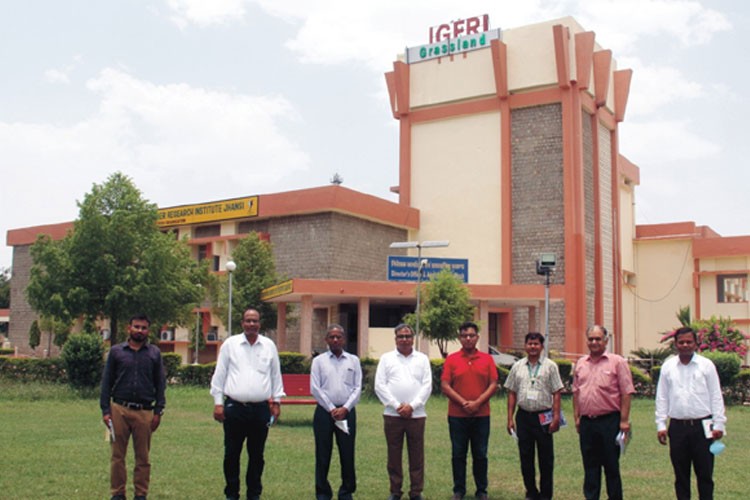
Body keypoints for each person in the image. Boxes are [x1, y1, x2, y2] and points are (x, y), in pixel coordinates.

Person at [210, 307, 285, 500]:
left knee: (257, 456)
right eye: (248, 321)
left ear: (260, 324)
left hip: (260, 410)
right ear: (242, 323)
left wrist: (276, 402)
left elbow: (276, 376)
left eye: (255, 321)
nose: (252, 324)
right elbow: (220, 375)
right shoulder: (230, 344)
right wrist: (218, 403)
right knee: (231, 454)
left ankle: (254, 494)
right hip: (235, 408)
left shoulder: (268, 345)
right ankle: (232, 494)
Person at [655, 326, 726, 500]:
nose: (685, 345)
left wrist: (719, 424)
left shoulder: (706, 366)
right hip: (678, 427)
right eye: (682, 342)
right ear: (675, 344)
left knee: (705, 475)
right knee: (681, 476)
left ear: (696, 344)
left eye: (689, 342)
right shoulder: (668, 366)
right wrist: (661, 425)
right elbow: (662, 397)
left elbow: (716, 396)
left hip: (703, 427)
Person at [100, 314, 166, 500]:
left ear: (148, 331)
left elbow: (160, 384)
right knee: (117, 456)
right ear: (129, 328)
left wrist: (158, 410)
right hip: (119, 409)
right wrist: (106, 410)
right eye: (136, 327)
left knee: (143, 458)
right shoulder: (116, 352)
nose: (140, 330)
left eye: (143, 327)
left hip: (145, 411)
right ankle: (118, 493)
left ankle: (140, 494)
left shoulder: (154, 353)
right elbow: (106, 382)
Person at [572, 325, 634, 500]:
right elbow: (576, 393)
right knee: (590, 465)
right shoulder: (581, 363)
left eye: (598, 339)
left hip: (610, 421)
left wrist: (624, 420)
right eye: (591, 339)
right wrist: (577, 418)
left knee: (611, 466)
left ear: (606, 341)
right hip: (587, 423)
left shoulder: (617, 362)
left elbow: (626, 392)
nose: (594, 342)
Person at [374, 324, 433, 500]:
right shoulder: (386, 358)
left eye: (408, 336)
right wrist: (397, 405)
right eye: (401, 336)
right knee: (393, 455)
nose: (405, 339)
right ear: (395, 339)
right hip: (393, 415)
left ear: (413, 339)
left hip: (417, 415)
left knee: (417, 455)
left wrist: (412, 406)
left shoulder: (422, 359)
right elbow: (380, 385)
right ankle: (395, 491)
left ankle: (416, 491)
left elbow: (427, 385)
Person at [441, 321, 498, 500]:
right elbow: (445, 385)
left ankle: (481, 490)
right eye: (464, 335)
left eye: (471, 335)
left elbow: (493, 384)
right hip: (457, 416)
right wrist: (464, 403)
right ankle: (459, 490)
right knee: (458, 454)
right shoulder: (452, 359)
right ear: (459, 338)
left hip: (481, 415)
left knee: (480, 454)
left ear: (477, 337)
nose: (468, 338)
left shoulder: (487, 359)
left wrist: (477, 403)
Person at [505, 332, 564, 500]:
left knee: (546, 459)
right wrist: (510, 418)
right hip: (524, 417)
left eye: (536, 344)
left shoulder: (550, 366)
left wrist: (556, 416)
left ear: (542, 346)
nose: (533, 347)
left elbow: (557, 392)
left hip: (544, 417)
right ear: (525, 346)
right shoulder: (518, 366)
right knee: (525, 456)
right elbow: (511, 392)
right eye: (530, 344)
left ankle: (546, 495)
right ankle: (531, 492)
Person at [310, 324, 363, 500]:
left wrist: (345, 408)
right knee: (323, 453)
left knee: (347, 453)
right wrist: (332, 408)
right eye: (331, 337)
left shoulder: (353, 360)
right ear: (326, 340)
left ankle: (346, 491)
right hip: (325, 413)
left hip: (347, 412)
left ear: (344, 339)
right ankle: (323, 492)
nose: (335, 340)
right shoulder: (319, 361)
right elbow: (315, 388)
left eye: (338, 336)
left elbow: (357, 387)